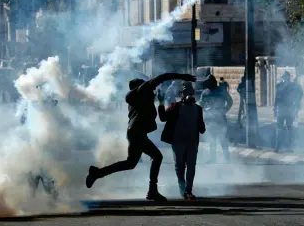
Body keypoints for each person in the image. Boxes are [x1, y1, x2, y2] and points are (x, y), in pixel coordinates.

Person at [85, 72, 196, 202]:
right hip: (137, 133)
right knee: (157, 156)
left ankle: (97, 173)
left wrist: (159, 101)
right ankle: (152, 191)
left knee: (130, 163)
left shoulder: (138, 99)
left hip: (135, 132)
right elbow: (162, 77)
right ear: (140, 86)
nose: (153, 89)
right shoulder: (143, 89)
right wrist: (183, 76)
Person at [158, 82, 206, 200]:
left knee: (190, 166)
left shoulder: (198, 109)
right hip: (178, 141)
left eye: (189, 92)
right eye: (185, 92)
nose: (187, 94)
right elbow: (163, 117)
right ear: (182, 94)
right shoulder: (175, 106)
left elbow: (202, 129)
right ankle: (182, 188)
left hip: (192, 142)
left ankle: (188, 191)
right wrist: (160, 103)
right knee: (180, 166)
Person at [199, 74, 233, 163]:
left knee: (223, 139)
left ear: (213, 82)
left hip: (220, 119)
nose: (208, 84)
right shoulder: (205, 93)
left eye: (209, 82)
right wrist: (205, 109)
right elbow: (201, 103)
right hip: (210, 120)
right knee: (212, 140)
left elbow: (230, 101)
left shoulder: (221, 91)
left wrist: (225, 110)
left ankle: (227, 158)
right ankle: (213, 159)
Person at [274, 71, 302, 152]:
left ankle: (287, 147)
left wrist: (296, 105)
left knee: (288, 129)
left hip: (288, 108)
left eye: (286, 77)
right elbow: (277, 98)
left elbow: (300, 94)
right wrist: (275, 109)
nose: (285, 78)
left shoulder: (293, 85)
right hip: (282, 108)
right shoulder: (280, 85)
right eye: (284, 77)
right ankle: (278, 147)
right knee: (281, 129)